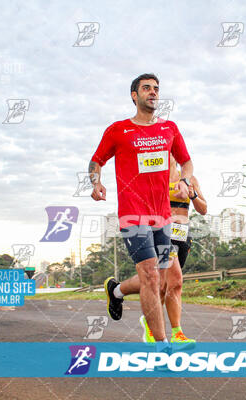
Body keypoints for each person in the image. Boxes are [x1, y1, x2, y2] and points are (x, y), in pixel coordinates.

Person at [89, 73, 193, 350]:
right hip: (133, 215)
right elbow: (96, 160)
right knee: (149, 275)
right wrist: (95, 181)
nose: (153, 92)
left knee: (160, 279)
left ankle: (117, 290)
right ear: (134, 95)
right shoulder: (118, 130)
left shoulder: (169, 129)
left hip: (163, 217)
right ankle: (161, 345)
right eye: (146, 88)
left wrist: (184, 181)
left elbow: (186, 161)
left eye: (156, 88)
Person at [114, 154, 207, 346]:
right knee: (173, 280)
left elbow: (203, 209)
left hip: (182, 236)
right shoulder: (155, 179)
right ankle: (174, 333)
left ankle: (118, 291)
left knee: (167, 285)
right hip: (162, 232)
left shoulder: (189, 179)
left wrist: (193, 195)